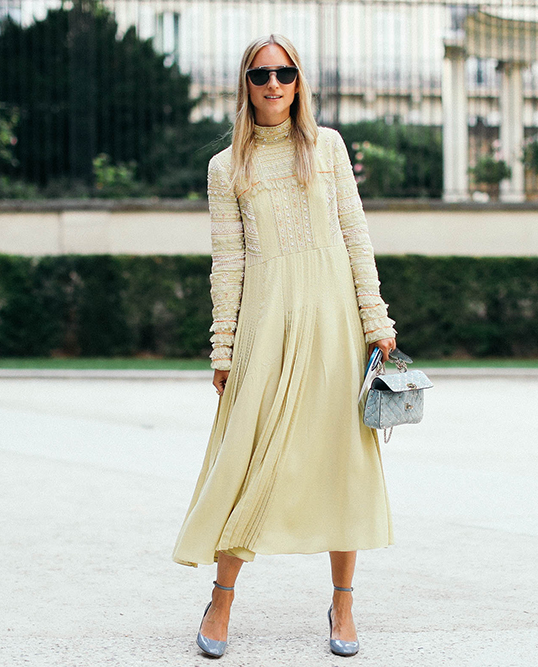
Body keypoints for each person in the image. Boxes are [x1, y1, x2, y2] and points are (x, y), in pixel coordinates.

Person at [171, 34, 397, 658]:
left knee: (340, 461)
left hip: (335, 327)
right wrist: (223, 349)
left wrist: (376, 319)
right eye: (261, 74)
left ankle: (343, 605)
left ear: (299, 82)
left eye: (286, 72)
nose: (274, 84)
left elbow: (356, 238)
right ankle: (220, 602)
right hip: (264, 331)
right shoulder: (226, 167)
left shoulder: (327, 149)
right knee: (246, 460)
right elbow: (228, 267)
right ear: (244, 84)